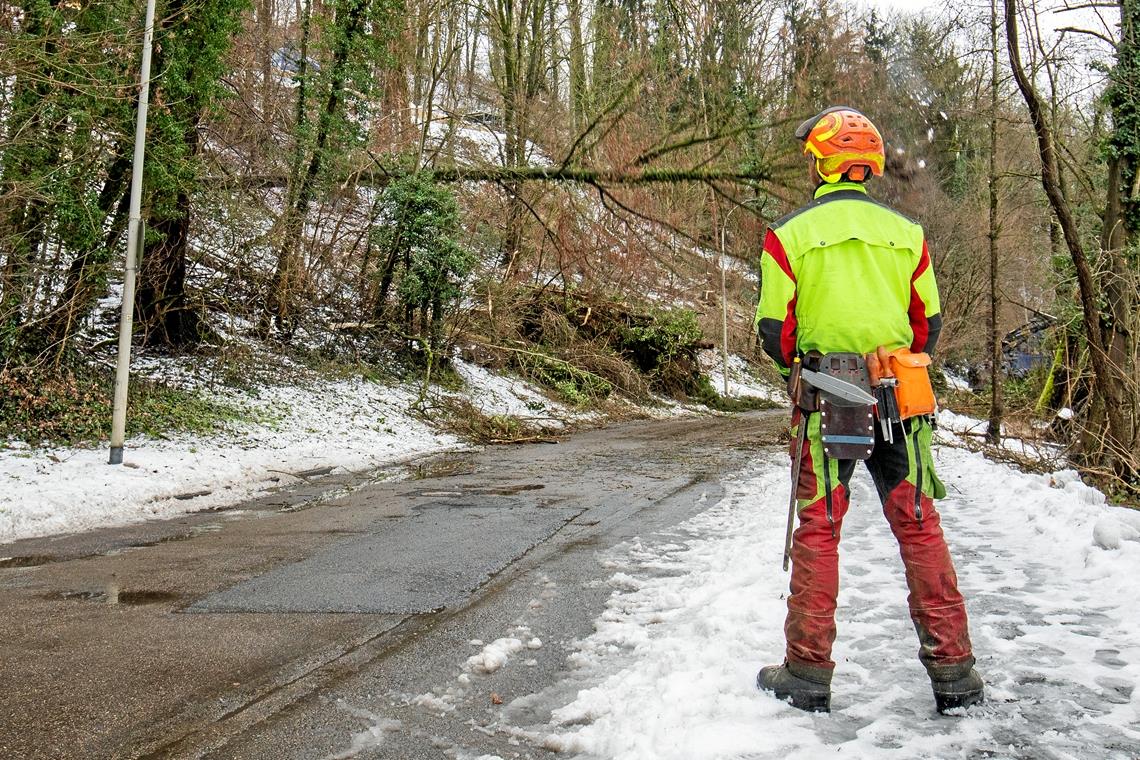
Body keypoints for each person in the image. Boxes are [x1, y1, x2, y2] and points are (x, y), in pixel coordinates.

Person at [753, 106, 983, 715]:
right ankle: (954, 669)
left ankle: (807, 670)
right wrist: (897, 360)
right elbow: (926, 325)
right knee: (918, 523)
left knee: (821, 527)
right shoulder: (908, 234)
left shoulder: (789, 235)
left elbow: (775, 331)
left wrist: (799, 374)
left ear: (822, 162)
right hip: (901, 398)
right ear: (869, 165)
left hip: (827, 395)